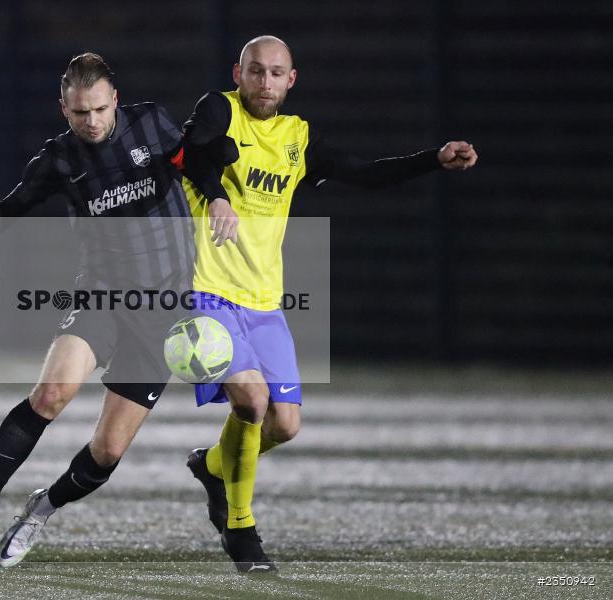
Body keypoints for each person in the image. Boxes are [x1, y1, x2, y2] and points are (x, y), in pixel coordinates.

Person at [180, 35, 478, 573]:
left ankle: (213, 466)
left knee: (285, 425)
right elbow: (193, 156)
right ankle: (242, 531)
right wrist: (217, 194)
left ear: (291, 80)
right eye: (255, 71)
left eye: (276, 73)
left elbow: (364, 173)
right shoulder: (218, 109)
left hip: (265, 301)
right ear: (238, 73)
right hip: (209, 290)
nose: (264, 82)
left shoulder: (299, 138)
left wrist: (433, 159)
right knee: (250, 401)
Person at [0, 52, 196, 566]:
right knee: (50, 394)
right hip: (102, 297)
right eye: (78, 113)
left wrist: (217, 177)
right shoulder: (60, 159)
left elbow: (197, 162)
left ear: (115, 99)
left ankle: (40, 510)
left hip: (163, 311)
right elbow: (8, 209)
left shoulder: (153, 124)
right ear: (63, 110)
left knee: (108, 452)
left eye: (97, 109)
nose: (90, 122)